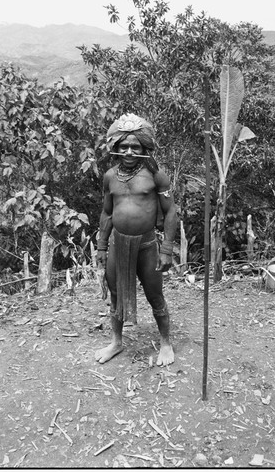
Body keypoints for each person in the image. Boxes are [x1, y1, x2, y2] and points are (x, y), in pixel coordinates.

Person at [95, 113, 177, 366]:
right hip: (118, 244)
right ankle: (116, 342)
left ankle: (166, 344)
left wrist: (167, 250)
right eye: (124, 146)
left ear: (144, 148)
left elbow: (171, 211)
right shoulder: (110, 176)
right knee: (116, 295)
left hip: (146, 246)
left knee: (155, 296)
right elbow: (107, 212)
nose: (130, 151)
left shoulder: (156, 175)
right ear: (116, 149)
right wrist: (101, 246)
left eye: (135, 146)